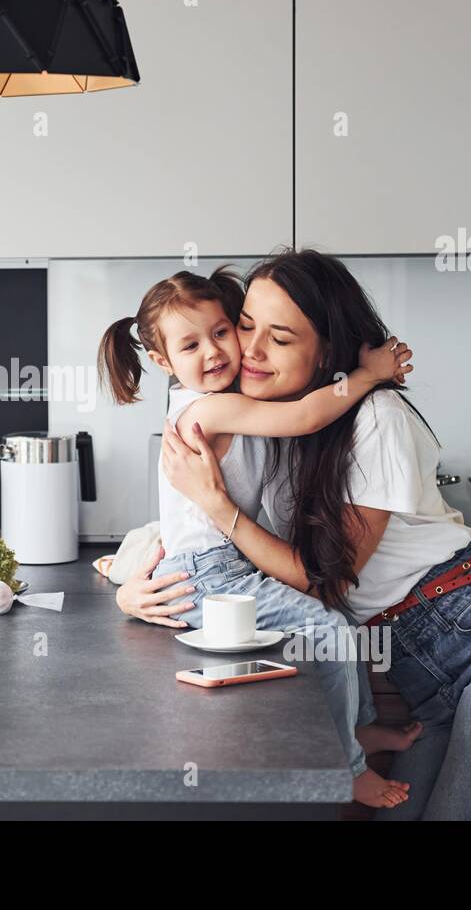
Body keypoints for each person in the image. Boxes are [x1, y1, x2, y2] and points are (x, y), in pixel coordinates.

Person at [119, 249, 471, 820]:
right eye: (246, 327)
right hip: (422, 670)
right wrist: (132, 586)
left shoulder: (373, 417)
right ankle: (358, 747)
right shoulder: (262, 423)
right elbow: (180, 526)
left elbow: (321, 579)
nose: (247, 350)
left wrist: (218, 508)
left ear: (328, 351)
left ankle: (353, 758)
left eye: (281, 338)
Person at [98, 268, 415, 807]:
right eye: (191, 344)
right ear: (162, 362)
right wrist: (367, 376)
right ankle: (350, 768)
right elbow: (307, 416)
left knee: (337, 626)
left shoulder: (219, 399)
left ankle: (355, 732)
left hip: (226, 563)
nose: (216, 352)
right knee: (331, 632)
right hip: (210, 573)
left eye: (223, 332)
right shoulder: (208, 407)